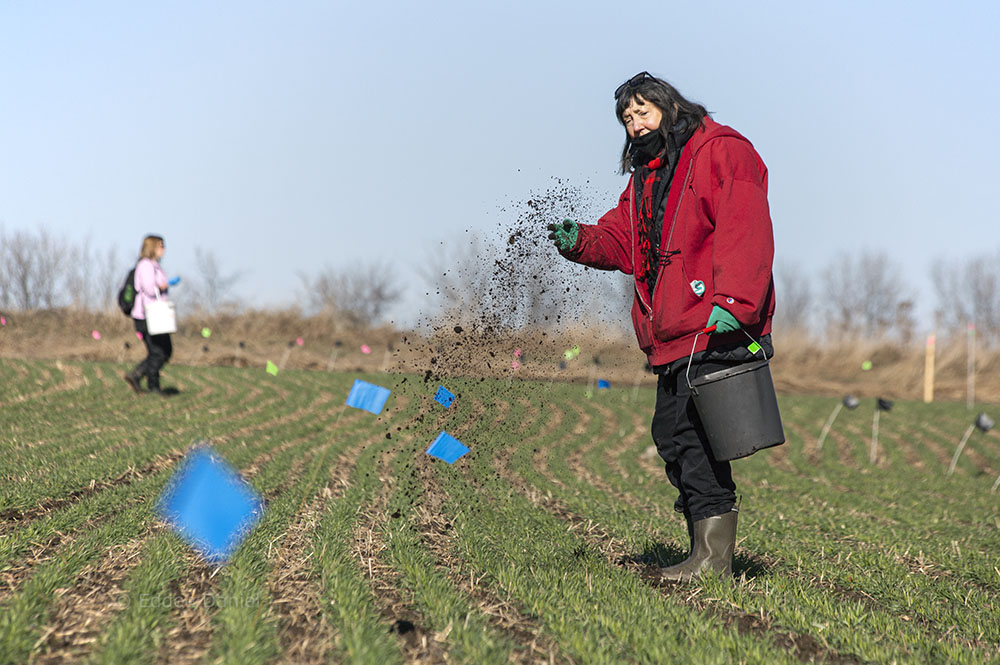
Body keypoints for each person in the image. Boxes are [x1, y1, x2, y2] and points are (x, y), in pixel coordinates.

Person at [547, 72, 775, 582]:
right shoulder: (647, 177)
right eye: (627, 119)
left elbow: (746, 227)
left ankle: (712, 561)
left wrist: (734, 302)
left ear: (669, 107)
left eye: (643, 112)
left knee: (694, 438)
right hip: (672, 334)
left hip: (714, 326)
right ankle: (704, 552)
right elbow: (622, 239)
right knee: (674, 436)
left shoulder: (723, 152)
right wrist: (579, 240)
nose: (636, 125)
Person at [124, 235, 173, 396]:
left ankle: (141, 378)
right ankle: (150, 384)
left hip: (156, 315)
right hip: (147, 316)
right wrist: (163, 285)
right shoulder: (145, 265)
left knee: (163, 351)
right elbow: (150, 289)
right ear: (152, 247)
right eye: (161, 246)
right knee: (158, 352)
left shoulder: (155, 265)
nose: (164, 250)